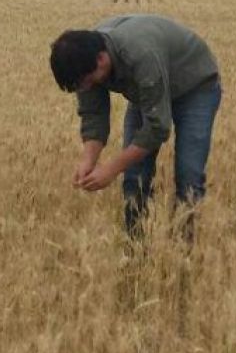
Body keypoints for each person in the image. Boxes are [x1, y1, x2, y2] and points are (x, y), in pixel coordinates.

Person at [50, 14, 222, 239]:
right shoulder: (84, 62)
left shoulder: (140, 53)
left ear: (102, 59)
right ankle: (136, 251)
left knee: (188, 175)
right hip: (148, 92)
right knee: (134, 176)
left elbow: (157, 128)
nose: (88, 87)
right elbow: (94, 114)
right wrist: (88, 160)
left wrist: (111, 168)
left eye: (90, 81)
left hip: (195, 88)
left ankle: (185, 254)